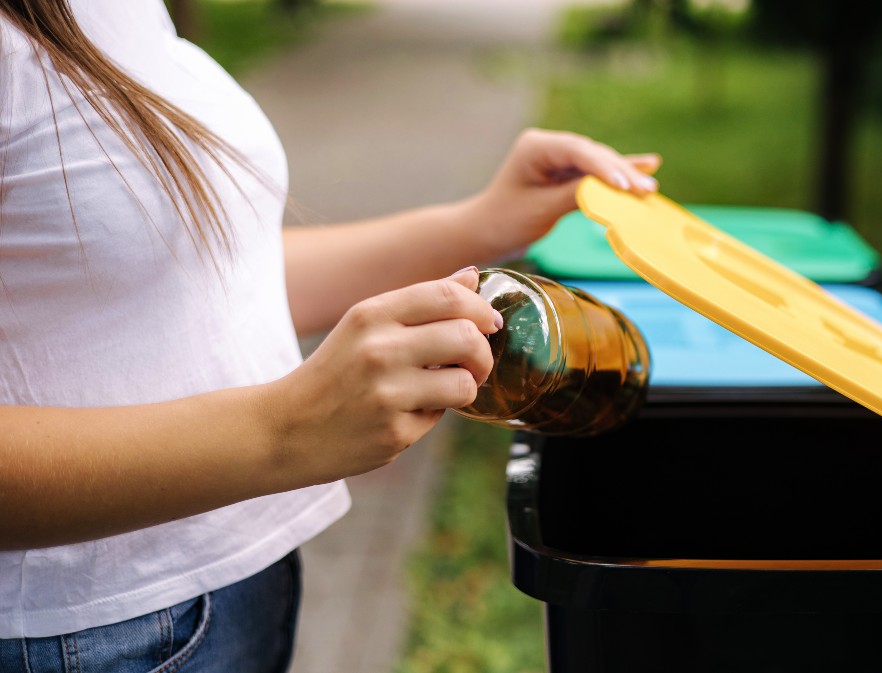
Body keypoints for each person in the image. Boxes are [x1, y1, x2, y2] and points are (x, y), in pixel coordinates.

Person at [0, 1, 660, 670]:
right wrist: (286, 428)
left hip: (229, 581)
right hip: (87, 635)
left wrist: (478, 224)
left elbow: (192, 281)